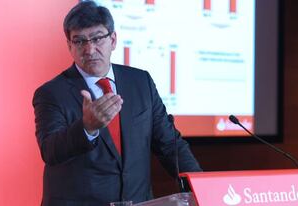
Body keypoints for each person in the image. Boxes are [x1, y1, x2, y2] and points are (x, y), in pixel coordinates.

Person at [33, 1, 201, 205]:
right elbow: (50, 151)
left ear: (113, 40)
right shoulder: (52, 93)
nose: (90, 49)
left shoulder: (141, 82)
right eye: (79, 41)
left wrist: (201, 187)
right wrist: (86, 128)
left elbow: (169, 145)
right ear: (69, 45)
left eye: (97, 38)